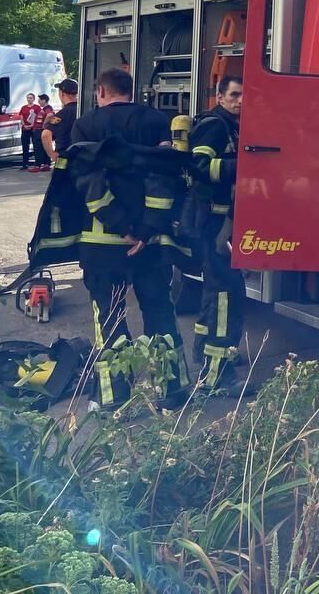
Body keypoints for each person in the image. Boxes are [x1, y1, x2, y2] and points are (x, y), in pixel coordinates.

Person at [69, 67, 188, 408]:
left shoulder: (86, 126)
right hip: (150, 246)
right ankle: (172, 391)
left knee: (108, 318)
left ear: (100, 92)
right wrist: (146, 230)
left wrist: (121, 226)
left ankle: (113, 397)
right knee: (160, 313)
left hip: (103, 246)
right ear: (131, 92)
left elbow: (88, 185)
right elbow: (163, 177)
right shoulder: (155, 121)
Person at [187, 76, 244, 389]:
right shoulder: (215, 125)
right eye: (234, 95)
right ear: (220, 96)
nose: (240, 101)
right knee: (225, 296)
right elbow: (198, 166)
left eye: (244, 96)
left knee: (215, 292)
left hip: (220, 224)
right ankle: (217, 376)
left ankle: (206, 354)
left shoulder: (233, 125)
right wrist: (243, 164)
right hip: (214, 224)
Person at [41, 78, 78, 169]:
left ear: (62, 93)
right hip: (80, 158)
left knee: (58, 181)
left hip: (63, 157)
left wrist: (52, 154)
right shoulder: (84, 110)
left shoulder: (62, 114)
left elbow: (46, 134)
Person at [31, 94, 53, 171]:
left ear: (44, 100)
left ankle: (38, 165)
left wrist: (44, 124)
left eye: (39, 100)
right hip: (39, 130)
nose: (38, 102)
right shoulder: (43, 109)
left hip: (40, 130)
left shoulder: (47, 108)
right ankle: (46, 164)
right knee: (43, 147)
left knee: (38, 148)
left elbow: (50, 115)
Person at [18, 92, 40, 170]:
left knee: (36, 146)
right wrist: (24, 125)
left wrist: (31, 125)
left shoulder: (37, 107)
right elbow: (21, 117)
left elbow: (38, 118)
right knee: (25, 146)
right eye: (28, 98)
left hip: (33, 129)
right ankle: (25, 164)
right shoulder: (23, 107)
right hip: (25, 129)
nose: (29, 99)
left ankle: (37, 163)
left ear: (33, 99)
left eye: (31, 98)